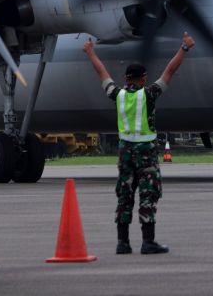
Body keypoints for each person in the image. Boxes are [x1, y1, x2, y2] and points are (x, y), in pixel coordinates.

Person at [83, 32, 195, 255]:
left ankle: (122, 243)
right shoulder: (150, 94)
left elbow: (102, 73)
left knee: (125, 195)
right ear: (143, 78)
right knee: (148, 194)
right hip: (146, 153)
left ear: (126, 78)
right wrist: (184, 48)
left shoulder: (117, 94)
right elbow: (170, 71)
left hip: (125, 152)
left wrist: (90, 53)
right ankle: (147, 241)